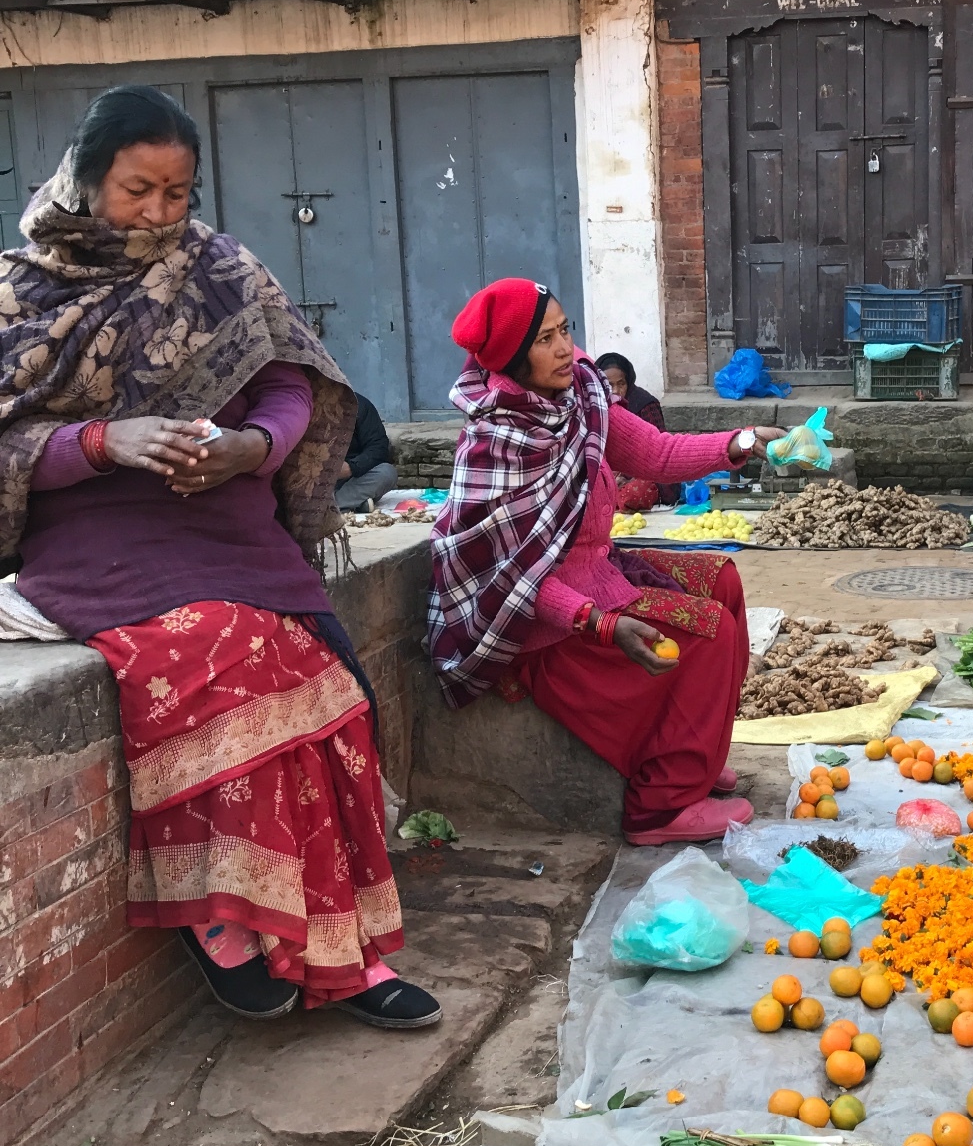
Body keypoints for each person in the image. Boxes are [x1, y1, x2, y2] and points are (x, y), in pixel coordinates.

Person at [0, 85, 439, 1028]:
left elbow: (290, 383)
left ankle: (347, 951)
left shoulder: (221, 269)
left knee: (328, 689)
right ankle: (231, 922)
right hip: (96, 537)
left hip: (226, 520)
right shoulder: (19, 293)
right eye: (137, 191)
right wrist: (103, 443)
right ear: (85, 180)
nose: (160, 216)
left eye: (178, 193)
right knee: (224, 655)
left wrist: (251, 450)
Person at [427, 279, 784, 844]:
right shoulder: (493, 442)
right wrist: (602, 623)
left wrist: (740, 442)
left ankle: (700, 751)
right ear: (512, 359)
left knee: (724, 580)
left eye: (566, 329)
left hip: (601, 572)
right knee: (707, 633)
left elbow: (657, 453)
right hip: (545, 622)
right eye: (545, 339)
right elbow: (513, 578)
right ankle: (662, 806)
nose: (566, 348)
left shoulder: (582, 399)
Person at [595, 350, 680, 507]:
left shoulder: (644, 404)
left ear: (629, 382)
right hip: (611, 474)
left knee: (633, 495)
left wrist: (626, 475)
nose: (615, 391)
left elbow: (658, 451)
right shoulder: (596, 406)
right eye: (609, 385)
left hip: (646, 474)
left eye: (621, 384)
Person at [337, 392, 397, 512]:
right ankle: (352, 504)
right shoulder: (300, 406)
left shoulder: (359, 405)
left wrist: (350, 467)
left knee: (387, 473)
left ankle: (331, 505)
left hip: (353, 481)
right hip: (312, 484)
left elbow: (378, 448)